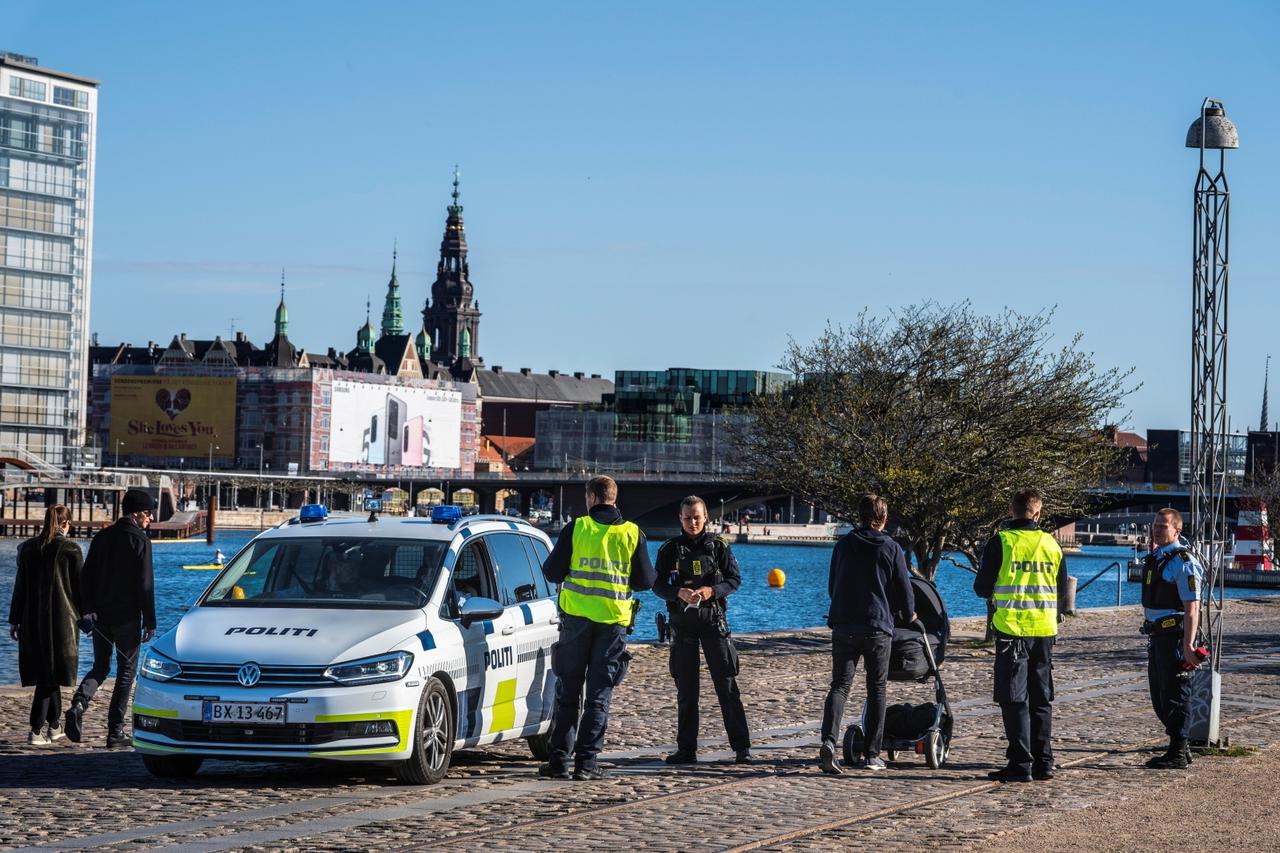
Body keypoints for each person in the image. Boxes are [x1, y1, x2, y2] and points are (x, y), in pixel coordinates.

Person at [539, 475, 655, 780]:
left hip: (576, 622)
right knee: (599, 695)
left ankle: (559, 762)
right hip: (613, 625)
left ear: (591, 497)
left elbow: (551, 572)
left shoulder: (577, 528)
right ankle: (587, 764)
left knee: (568, 693)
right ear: (614, 499)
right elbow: (646, 581)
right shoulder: (632, 533)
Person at [974, 487, 1067, 783]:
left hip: (1012, 630)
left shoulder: (1001, 542)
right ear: (1037, 513)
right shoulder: (1051, 544)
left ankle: (1021, 762)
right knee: (1041, 698)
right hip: (1044, 630)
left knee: (1014, 699)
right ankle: (1044, 762)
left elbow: (981, 588)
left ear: (1011, 511)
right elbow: (1062, 589)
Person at [819, 494, 915, 774]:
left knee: (839, 686)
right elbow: (903, 589)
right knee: (876, 688)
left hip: (844, 625)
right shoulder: (891, 547)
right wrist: (907, 613)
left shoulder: (844, 545)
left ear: (858, 516)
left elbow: (832, 584)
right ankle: (872, 754)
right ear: (884, 518)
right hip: (877, 627)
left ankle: (828, 740)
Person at [653, 495, 752, 765]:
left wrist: (711, 591)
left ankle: (742, 748)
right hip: (682, 623)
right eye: (687, 518)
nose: (692, 522)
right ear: (680, 519)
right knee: (687, 690)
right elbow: (656, 585)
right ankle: (687, 750)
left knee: (727, 685)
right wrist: (677, 593)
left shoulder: (718, 546)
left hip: (713, 620)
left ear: (706, 516)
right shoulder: (669, 550)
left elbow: (734, 580)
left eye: (697, 517)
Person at [66, 488, 156, 748]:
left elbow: (87, 577)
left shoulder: (102, 537)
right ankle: (115, 731)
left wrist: (88, 609)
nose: (150, 518)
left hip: (101, 616)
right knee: (126, 672)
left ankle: (80, 703)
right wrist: (150, 621)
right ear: (137, 513)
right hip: (127, 617)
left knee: (100, 666)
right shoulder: (140, 541)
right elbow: (145, 585)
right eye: (149, 513)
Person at [8, 505, 83, 746]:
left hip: (32, 621)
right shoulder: (71, 549)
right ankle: (36, 729)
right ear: (65, 524)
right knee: (50, 676)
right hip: (62, 623)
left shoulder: (28, 549)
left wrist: (14, 619)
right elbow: (80, 589)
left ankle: (54, 726)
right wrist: (89, 615)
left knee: (48, 673)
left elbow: (19, 588)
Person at [1141, 508, 1205, 770]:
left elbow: (1192, 608)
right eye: (1155, 526)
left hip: (1174, 637)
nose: (1157, 530)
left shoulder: (1183, 561)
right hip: (1157, 636)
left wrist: (1188, 645)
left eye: (1163, 527)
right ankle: (1182, 746)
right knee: (1159, 696)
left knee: (1176, 694)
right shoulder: (1156, 558)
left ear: (1176, 531)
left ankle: (1177, 751)